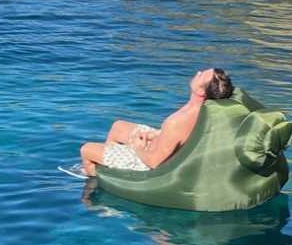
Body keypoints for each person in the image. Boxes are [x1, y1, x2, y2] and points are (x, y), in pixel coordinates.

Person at [80, 68, 233, 177]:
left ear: (201, 91)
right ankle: (111, 162)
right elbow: (181, 137)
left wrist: (138, 148)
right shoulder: (201, 109)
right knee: (118, 126)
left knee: (86, 150)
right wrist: (157, 134)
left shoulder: (178, 121)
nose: (198, 72)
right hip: (162, 143)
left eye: (201, 75)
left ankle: (100, 178)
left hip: (146, 161)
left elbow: (154, 162)